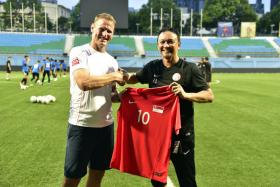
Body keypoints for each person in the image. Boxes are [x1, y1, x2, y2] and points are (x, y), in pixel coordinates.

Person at [125, 28, 214, 187]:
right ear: (158, 45)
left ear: (178, 44)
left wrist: (186, 95)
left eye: (170, 41)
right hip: (157, 135)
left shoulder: (189, 69)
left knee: (187, 181)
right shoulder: (152, 67)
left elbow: (208, 95)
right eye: (162, 42)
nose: (166, 45)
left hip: (181, 136)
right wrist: (117, 76)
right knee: (157, 180)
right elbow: (134, 79)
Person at [62, 13, 127, 187]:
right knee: (72, 179)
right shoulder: (80, 52)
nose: (105, 34)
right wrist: (113, 75)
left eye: (109, 31)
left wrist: (125, 97)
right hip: (81, 126)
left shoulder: (112, 61)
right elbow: (83, 82)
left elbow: (111, 95)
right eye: (102, 29)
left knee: (97, 177)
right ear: (92, 28)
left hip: (106, 128)